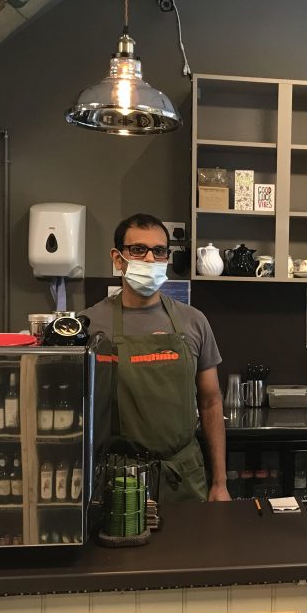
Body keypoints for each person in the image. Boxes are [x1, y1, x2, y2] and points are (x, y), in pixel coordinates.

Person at [82, 213, 230, 502]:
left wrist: (220, 483)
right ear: (117, 258)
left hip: (184, 478)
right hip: (119, 482)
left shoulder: (194, 321)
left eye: (159, 251)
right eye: (138, 249)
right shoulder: (89, 325)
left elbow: (211, 402)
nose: (149, 259)